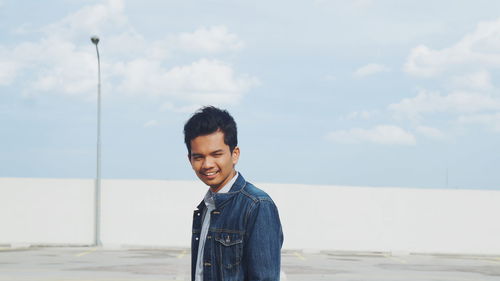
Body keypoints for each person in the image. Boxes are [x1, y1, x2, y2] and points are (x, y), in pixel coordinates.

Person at [183, 106, 283, 281]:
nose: (207, 164)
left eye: (216, 154)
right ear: (189, 159)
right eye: (198, 157)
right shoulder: (206, 207)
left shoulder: (257, 205)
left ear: (234, 154)